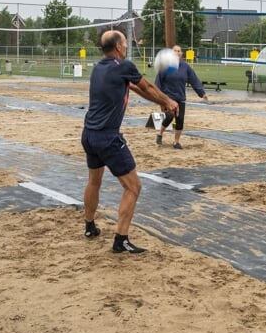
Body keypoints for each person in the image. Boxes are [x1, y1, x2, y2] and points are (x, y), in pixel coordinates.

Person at [82, 30, 179, 254]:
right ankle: (121, 239)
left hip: (89, 134)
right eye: (125, 43)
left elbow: (134, 87)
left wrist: (160, 102)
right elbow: (146, 86)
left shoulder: (99, 68)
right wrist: (168, 101)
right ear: (117, 47)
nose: (127, 47)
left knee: (94, 181)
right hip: (108, 137)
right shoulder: (124, 66)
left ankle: (89, 226)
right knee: (134, 187)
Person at [155, 44, 208, 149]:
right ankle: (160, 133)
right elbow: (158, 83)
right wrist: (159, 99)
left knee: (180, 119)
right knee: (170, 117)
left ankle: (176, 142)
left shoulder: (185, 67)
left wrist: (202, 93)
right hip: (168, 97)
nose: (177, 53)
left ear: (181, 53)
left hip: (180, 97)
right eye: (175, 51)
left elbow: (194, 80)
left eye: (179, 51)